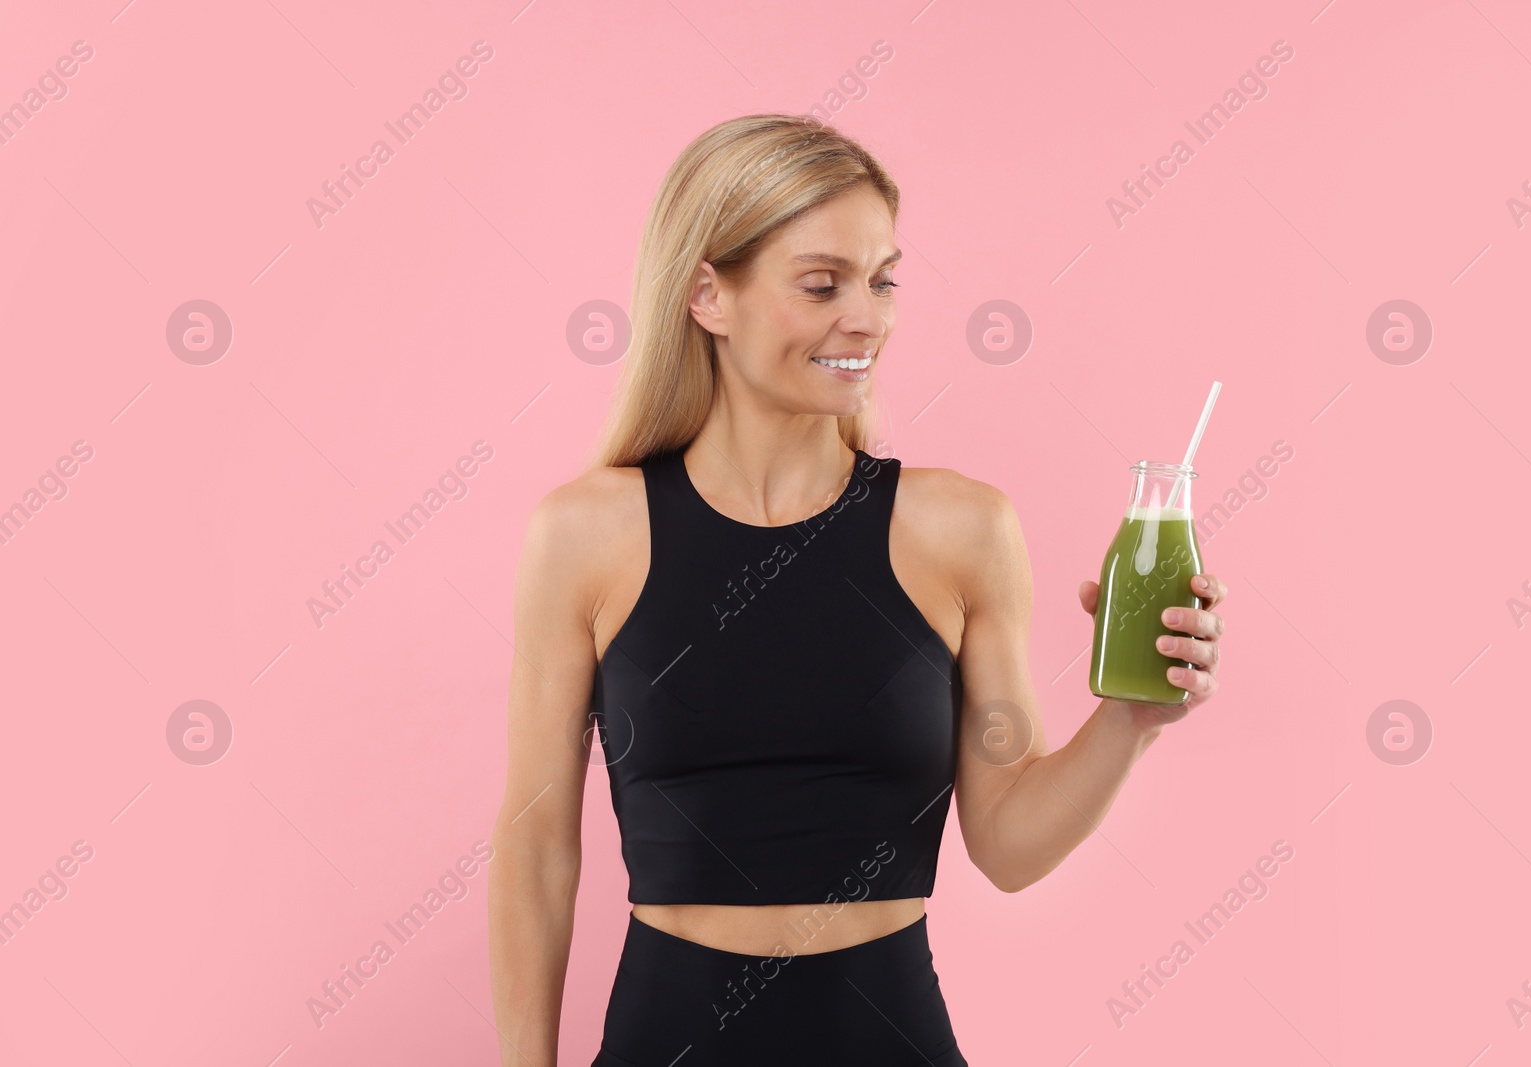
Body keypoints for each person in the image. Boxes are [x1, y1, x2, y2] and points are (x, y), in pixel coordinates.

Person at [487, 114, 1227, 1066]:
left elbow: (1006, 843)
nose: (868, 317)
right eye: (822, 283)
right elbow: (536, 852)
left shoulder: (962, 530)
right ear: (709, 292)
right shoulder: (583, 536)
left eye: (883, 281)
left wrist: (1129, 719)